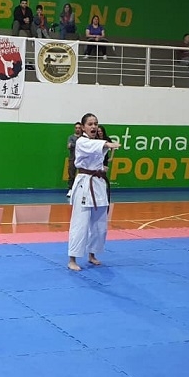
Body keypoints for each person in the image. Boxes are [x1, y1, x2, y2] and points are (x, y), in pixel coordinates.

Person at [67, 113, 120, 271]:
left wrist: (102, 167)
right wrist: (108, 144)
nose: (94, 126)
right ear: (83, 127)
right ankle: (72, 259)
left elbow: (98, 154)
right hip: (84, 184)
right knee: (80, 223)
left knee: (99, 224)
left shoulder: (96, 141)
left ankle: (92, 254)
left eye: (96, 123)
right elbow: (93, 147)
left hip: (98, 184)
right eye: (90, 124)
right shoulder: (81, 141)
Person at [66, 122, 82, 193]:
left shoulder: (83, 137)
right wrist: (79, 145)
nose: (77, 129)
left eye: (79, 128)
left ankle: (81, 190)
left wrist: (73, 145)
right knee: (71, 174)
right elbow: (69, 146)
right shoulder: (71, 137)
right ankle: (70, 189)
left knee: (82, 175)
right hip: (72, 158)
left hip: (82, 159)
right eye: (76, 128)